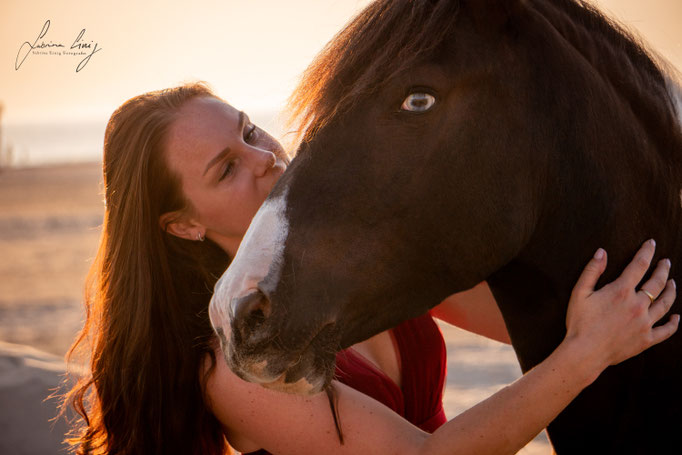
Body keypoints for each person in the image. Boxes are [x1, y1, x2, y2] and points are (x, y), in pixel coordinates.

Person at [61, 81, 679, 455]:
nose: (266, 158)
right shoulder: (231, 360)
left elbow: (527, 317)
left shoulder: (358, 257)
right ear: (183, 225)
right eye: (226, 168)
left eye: (250, 131)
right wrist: (581, 356)